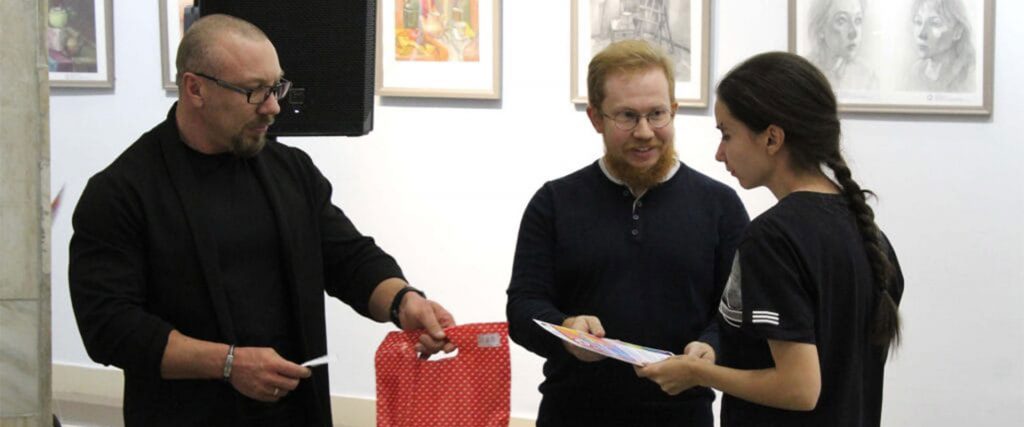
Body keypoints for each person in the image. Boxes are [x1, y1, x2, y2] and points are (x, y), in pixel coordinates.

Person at [68, 14, 455, 427]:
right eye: (254, 92)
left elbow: (348, 258)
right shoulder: (121, 192)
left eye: (276, 87)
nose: (273, 107)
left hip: (297, 414)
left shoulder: (291, 170)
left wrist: (403, 302)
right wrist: (228, 363)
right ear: (195, 89)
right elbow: (109, 326)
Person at [636, 51, 904, 426]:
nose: (719, 153)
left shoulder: (772, 239)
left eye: (727, 134)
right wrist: (712, 355)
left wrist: (697, 374)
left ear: (772, 138)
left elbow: (799, 388)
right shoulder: (870, 233)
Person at [506, 39, 749, 426]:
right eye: (627, 116)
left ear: (674, 110)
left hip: (682, 417)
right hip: (573, 414)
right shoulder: (554, 203)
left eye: (657, 114)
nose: (644, 132)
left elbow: (738, 313)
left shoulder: (720, 206)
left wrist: (711, 346)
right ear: (595, 118)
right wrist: (567, 331)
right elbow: (522, 308)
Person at [806, 0, 878, 91]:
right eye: (842, 20)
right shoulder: (804, 71)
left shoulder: (866, 77)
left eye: (858, 20)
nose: (853, 32)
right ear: (820, 29)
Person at [906, 0, 975, 92]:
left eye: (935, 23)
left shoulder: (967, 76)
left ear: (957, 31)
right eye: (918, 22)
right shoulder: (916, 72)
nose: (921, 34)